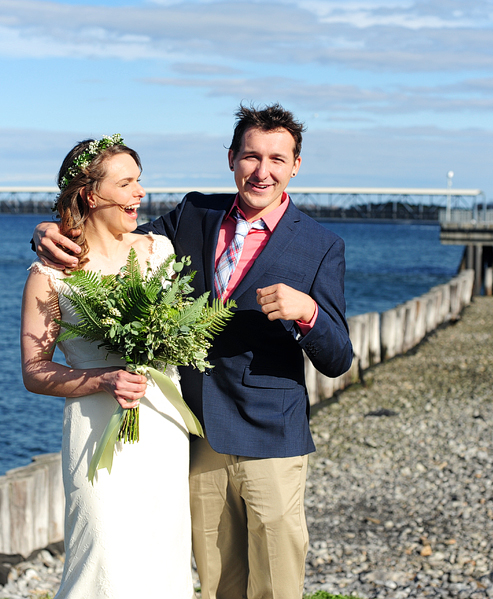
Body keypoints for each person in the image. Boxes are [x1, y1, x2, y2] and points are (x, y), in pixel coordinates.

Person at [33, 104, 353, 599]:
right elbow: (109, 239)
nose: (261, 170)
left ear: (295, 166)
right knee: (210, 585)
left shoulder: (320, 245)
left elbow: (337, 359)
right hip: (192, 436)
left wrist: (308, 312)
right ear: (231, 159)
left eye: (276, 158)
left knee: (276, 587)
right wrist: (46, 232)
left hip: (271, 438)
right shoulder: (192, 215)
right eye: (250, 156)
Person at [20, 136, 195, 599]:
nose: (140, 193)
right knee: (100, 552)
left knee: (163, 551)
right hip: (94, 426)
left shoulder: (161, 251)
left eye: (140, 181)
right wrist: (101, 378)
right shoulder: (50, 272)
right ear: (90, 195)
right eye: (126, 183)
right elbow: (34, 370)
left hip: (160, 420)